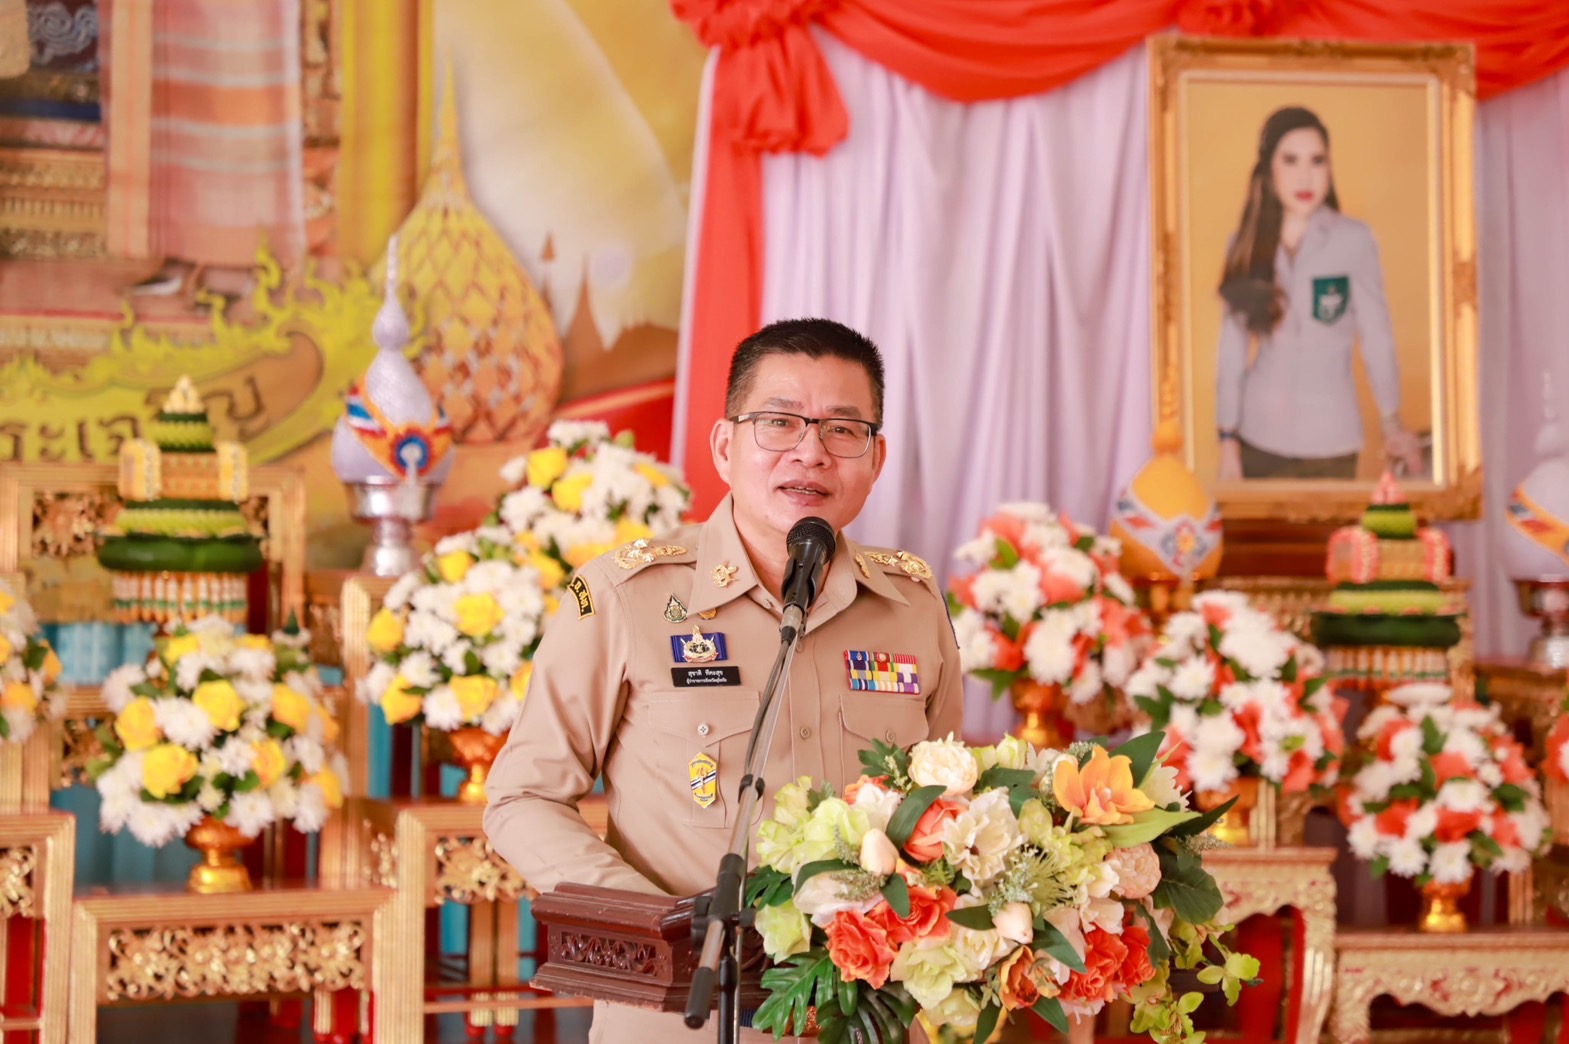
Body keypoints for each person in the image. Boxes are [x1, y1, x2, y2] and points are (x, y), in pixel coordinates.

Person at [484, 317, 964, 1043]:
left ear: (876, 456)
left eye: (842, 429)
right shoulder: (626, 597)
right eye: (777, 423)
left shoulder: (912, 607)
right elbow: (521, 796)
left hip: (869, 1016)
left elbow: (948, 810)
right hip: (682, 1014)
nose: (809, 452)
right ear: (723, 446)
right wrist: (657, 927)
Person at [1214, 106, 1425, 481]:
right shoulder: (1244, 244)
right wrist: (1228, 442)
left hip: (1333, 438)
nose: (1305, 175)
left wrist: (1391, 422)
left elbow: (1378, 339)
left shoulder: (1354, 241)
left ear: (1330, 168)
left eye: (1317, 160)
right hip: (1258, 435)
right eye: (1290, 160)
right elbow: (1231, 354)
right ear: (1269, 170)